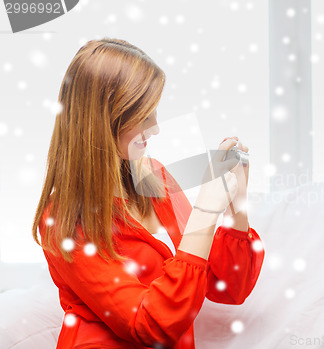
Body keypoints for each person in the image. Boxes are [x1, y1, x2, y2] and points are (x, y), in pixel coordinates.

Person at [32, 38, 264, 349]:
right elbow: (150, 325)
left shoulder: (153, 177)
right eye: (144, 115)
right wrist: (205, 212)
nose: (156, 128)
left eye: (154, 112)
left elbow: (227, 286)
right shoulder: (63, 218)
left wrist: (237, 206)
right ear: (104, 120)